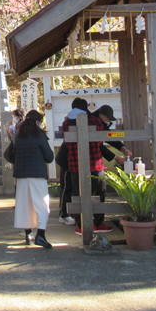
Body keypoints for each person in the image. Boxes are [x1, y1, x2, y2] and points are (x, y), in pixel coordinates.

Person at [61, 98, 113, 236]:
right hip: (96, 163)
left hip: (75, 164)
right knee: (99, 192)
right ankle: (98, 222)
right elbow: (100, 140)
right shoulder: (96, 121)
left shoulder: (67, 123)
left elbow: (68, 143)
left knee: (78, 193)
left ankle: (81, 224)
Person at [13, 110, 55, 248]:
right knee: (42, 206)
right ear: (37, 122)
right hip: (37, 175)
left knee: (26, 205)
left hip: (21, 175)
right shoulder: (39, 135)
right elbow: (49, 157)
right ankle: (41, 236)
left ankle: (28, 233)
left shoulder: (19, 135)